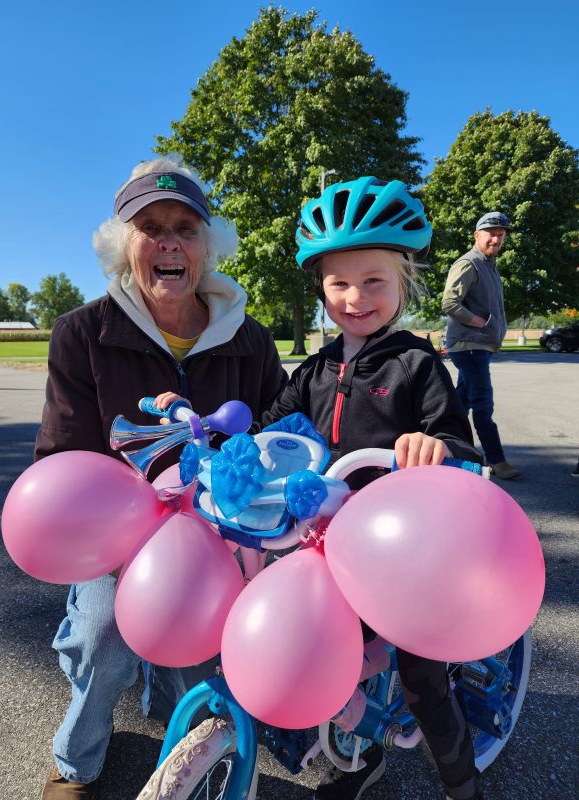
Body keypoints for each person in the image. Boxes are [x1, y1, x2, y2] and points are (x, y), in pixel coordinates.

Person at [35, 154, 287, 799]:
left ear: (206, 248)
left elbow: (284, 433)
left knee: (201, 646)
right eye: (151, 227)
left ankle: (188, 751)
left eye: (186, 227)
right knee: (104, 636)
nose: (170, 240)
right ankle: (76, 763)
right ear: (127, 249)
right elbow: (64, 455)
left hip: (218, 531)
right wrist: (120, 552)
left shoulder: (251, 340)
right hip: (114, 533)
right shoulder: (81, 333)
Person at [263, 176, 484, 800]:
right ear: (321, 289)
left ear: (404, 282)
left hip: (403, 548)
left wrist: (434, 447)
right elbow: (268, 432)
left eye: (374, 281)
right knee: (313, 646)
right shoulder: (311, 369)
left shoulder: (417, 365)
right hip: (324, 540)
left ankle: (462, 782)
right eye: (339, 283)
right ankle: (357, 760)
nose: (356, 297)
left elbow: (462, 446)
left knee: (420, 677)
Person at [442, 212, 521, 480]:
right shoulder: (469, 263)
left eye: (501, 235)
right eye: (491, 233)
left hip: (478, 346)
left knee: (460, 404)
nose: (496, 238)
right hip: (469, 345)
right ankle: (497, 461)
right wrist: (478, 322)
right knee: (483, 405)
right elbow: (449, 302)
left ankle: (444, 452)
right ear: (477, 235)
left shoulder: (489, 265)